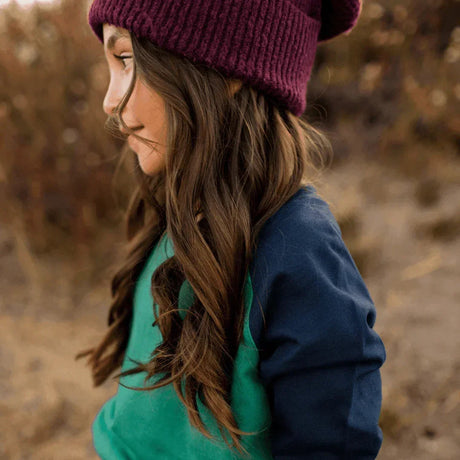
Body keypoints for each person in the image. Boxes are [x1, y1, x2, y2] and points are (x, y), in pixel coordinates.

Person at [76, 0, 386, 459]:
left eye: (126, 59)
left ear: (228, 69)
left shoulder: (297, 251)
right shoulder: (177, 209)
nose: (109, 101)